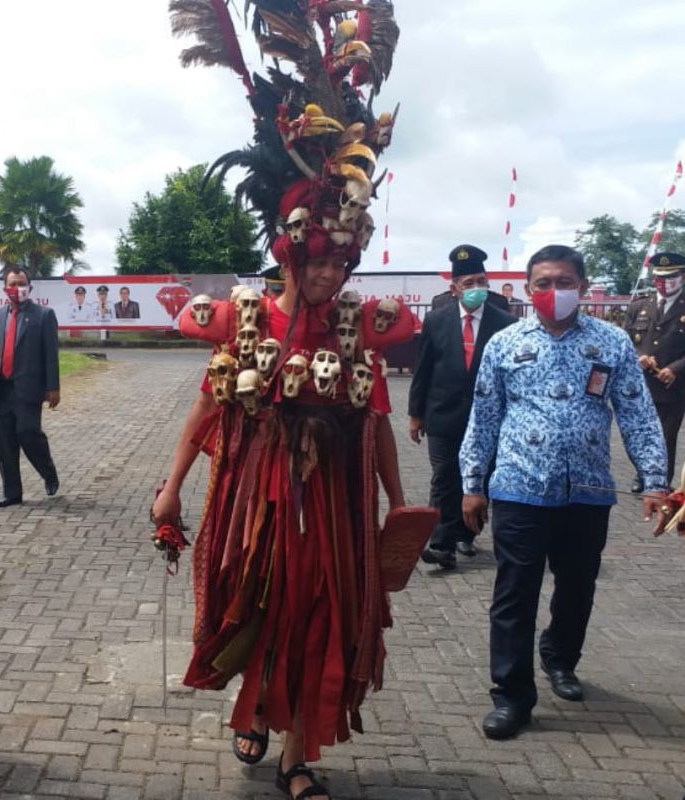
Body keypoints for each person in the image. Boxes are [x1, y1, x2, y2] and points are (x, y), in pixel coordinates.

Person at [156, 3, 406, 794]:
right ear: (289, 251)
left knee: (322, 609)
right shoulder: (248, 318)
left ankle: (301, 755)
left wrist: (399, 507)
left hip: (332, 501)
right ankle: (257, 709)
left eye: (342, 262)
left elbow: (377, 421)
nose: (330, 274)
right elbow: (207, 411)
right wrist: (169, 491)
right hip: (252, 494)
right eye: (317, 259)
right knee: (255, 600)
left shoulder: (357, 327)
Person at [460, 244, 668, 741]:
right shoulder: (504, 344)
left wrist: (656, 479)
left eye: (566, 281)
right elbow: (484, 416)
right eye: (545, 283)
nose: (556, 292)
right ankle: (512, 695)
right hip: (518, 486)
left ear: (582, 284)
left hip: (589, 489)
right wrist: (471, 485)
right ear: (529, 290)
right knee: (515, 593)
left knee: (576, 587)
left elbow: (639, 414)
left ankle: (560, 657)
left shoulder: (612, 343)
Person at [408, 245, 517, 568]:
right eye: (468, 283)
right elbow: (423, 369)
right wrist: (415, 415)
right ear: (454, 288)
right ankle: (441, 544)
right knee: (444, 477)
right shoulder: (437, 320)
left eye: (481, 281)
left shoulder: (505, 323)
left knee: (479, 478)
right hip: (443, 414)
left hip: (487, 420)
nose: (475, 289)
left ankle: (465, 535)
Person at [0, 266, 60, 507]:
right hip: (2, 389)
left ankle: (48, 472)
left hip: (28, 389)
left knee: (28, 433)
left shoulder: (44, 315)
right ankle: (12, 493)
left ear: (30, 287)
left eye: (21, 283)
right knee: (3, 440)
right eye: (12, 284)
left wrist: (53, 387)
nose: (17, 289)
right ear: (5, 287)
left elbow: (51, 355)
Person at [623, 252, 685, 492]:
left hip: (673, 386)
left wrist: (675, 368)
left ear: (681, 276)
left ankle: (660, 482)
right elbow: (626, 339)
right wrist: (639, 356)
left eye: (671, 277)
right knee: (638, 434)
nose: (664, 282)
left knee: (665, 437)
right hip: (642, 384)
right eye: (659, 277)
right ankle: (642, 474)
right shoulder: (640, 305)